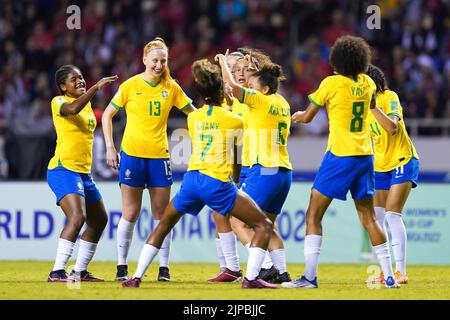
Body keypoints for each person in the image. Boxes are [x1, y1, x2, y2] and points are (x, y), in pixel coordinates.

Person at [122, 58, 276, 289]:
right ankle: (252, 278)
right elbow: (235, 155)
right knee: (263, 225)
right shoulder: (234, 120)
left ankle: (135, 277)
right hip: (217, 183)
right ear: (222, 92)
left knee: (163, 224)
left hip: (192, 181)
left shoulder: (193, 118)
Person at [282, 36, 399, 289]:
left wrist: (299, 117)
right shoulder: (368, 83)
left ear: (337, 60)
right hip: (366, 156)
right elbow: (369, 106)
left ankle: (309, 277)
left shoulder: (331, 83)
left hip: (339, 156)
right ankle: (389, 276)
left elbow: (309, 117)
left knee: (313, 213)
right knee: (369, 218)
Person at [102, 37, 195, 282]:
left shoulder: (172, 87)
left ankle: (163, 268)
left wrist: (209, 125)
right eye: (155, 60)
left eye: (163, 61)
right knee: (130, 213)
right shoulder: (130, 86)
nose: (159, 65)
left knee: (162, 214)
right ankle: (122, 266)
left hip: (159, 158)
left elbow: (194, 115)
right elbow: (107, 115)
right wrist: (111, 147)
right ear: (144, 60)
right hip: (132, 156)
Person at [216, 50, 293, 284]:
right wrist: (251, 70)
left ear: (265, 87)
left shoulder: (259, 100)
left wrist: (222, 62)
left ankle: (265, 268)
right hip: (283, 171)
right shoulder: (282, 103)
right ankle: (281, 271)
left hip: (263, 169)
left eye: (253, 80)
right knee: (268, 226)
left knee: (236, 220)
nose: (248, 82)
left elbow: (232, 86)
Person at [47, 65, 117, 282]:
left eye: (81, 77)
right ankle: (57, 271)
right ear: (62, 86)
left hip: (84, 174)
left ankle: (80, 271)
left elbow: (102, 116)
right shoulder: (59, 102)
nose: (80, 81)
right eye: (74, 79)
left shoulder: (87, 107)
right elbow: (73, 109)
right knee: (77, 218)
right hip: (63, 169)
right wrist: (96, 87)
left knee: (100, 220)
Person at [365, 64, 420, 285]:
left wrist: (372, 107)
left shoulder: (389, 97)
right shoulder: (362, 109)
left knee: (392, 215)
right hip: (380, 166)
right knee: (376, 219)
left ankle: (400, 271)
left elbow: (393, 128)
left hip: (402, 160)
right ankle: (385, 271)